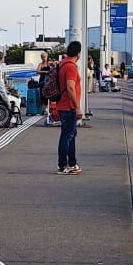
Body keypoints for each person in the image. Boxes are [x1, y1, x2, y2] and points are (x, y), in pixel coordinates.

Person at [54, 41, 84, 174]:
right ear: (78, 53)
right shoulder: (71, 67)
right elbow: (70, 87)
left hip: (62, 105)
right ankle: (62, 165)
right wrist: (77, 107)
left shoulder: (62, 64)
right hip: (69, 106)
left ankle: (72, 163)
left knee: (71, 135)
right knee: (66, 136)